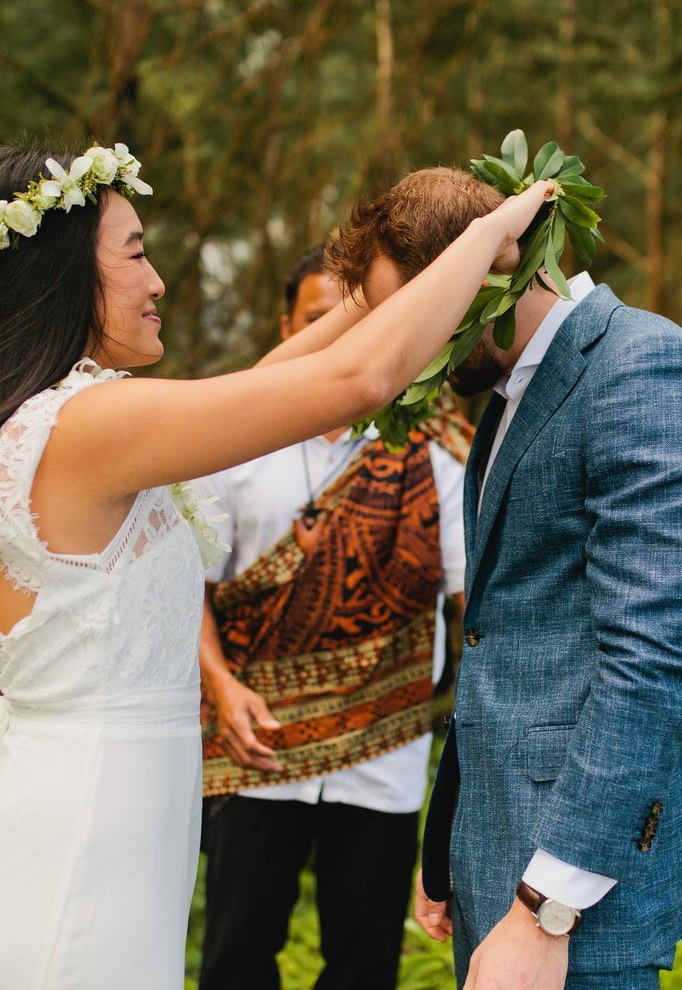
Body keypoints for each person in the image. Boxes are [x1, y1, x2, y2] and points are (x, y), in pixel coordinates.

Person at [0, 143, 553, 990]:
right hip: (88, 811)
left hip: (122, 803)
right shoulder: (83, 426)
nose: (158, 284)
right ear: (62, 272)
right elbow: (359, 377)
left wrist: (386, 283)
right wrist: (491, 234)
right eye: (138, 255)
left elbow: (269, 380)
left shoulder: (76, 422)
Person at [324, 164, 682, 990]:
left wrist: (545, 907)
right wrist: (451, 842)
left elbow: (653, 662)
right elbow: (502, 638)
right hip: (499, 863)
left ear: (487, 272)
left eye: (417, 312)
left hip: (571, 909)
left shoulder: (638, 364)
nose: (406, 345)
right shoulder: (505, 402)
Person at [194, 242, 472, 990]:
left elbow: (472, 604)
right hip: (253, 744)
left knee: (363, 960)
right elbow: (189, 586)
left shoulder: (436, 451)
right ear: (289, 325)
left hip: (384, 748)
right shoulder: (232, 443)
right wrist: (220, 687)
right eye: (322, 319)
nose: (344, 338)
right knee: (235, 955)